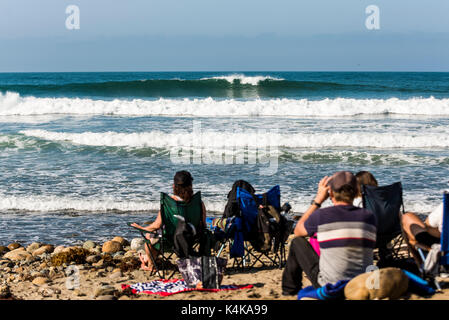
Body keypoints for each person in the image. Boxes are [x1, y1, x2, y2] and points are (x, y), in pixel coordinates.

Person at [281, 171, 377, 296]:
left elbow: (298, 231)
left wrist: (318, 201)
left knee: (297, 242)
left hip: (330, 285)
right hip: (360, 284)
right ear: (356, 191)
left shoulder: (322, 215)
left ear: (330, 192)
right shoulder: (369, 217)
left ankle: (289, 291)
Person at [131, 170, 207, 271]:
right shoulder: (198, 203)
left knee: (150, 236)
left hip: (170, 240)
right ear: (190, 185)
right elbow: (203, 225)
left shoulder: (169, 204)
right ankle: (147, 259)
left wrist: (141, 228)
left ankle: (150, 265)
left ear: (174, 186)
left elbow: (156, 225)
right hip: (192, 239)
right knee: (154, 234)